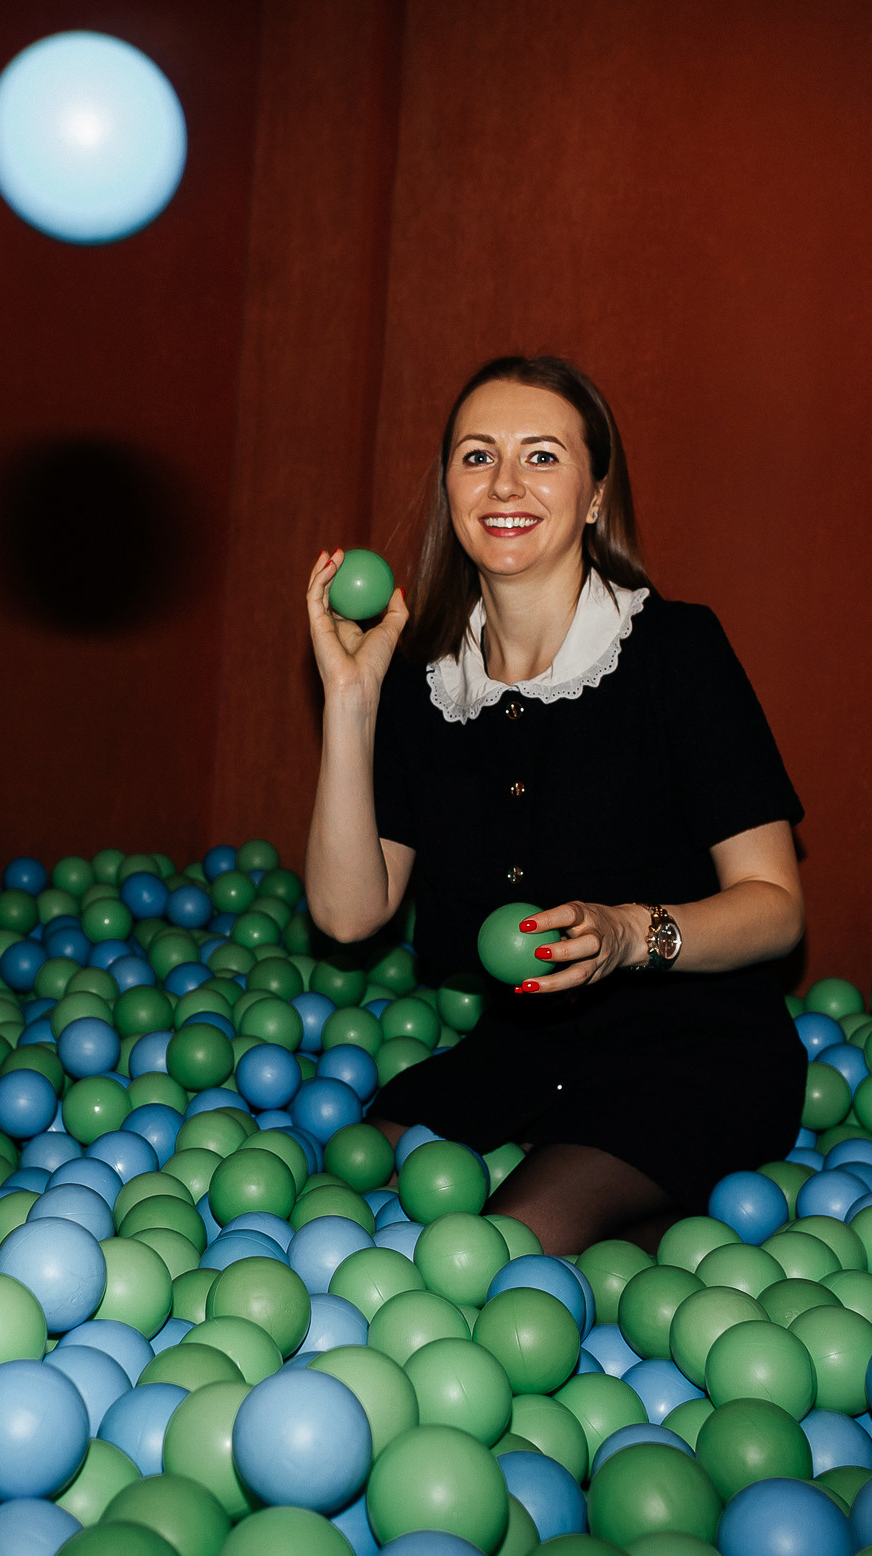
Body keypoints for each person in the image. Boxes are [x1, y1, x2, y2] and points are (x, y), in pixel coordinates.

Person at [303, 355, 806, 1255]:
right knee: (339, 1183)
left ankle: (672, 1226)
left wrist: (626, 932)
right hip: (524, 1054)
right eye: (476, 456)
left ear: (595, 495)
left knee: (509, 1243)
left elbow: (775, 909)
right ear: (449, 487)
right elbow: (348, 915)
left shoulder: (678, 653)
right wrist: (352, 698)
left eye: (542, 457)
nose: (504, 484)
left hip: (696, 1049)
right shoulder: (428, 686)